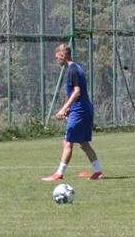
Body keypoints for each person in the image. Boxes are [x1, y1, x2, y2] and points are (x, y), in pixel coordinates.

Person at [42, 43, 103, 181]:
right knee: (83, 143)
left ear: (63, 56)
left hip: (80, 110)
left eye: (58, 58)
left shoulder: (72, 70)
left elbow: (77, 92)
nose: (57, 60)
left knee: (67, 142)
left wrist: (64, 108)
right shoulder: (78, 67)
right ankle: (98, 172)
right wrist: (70, 108)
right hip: (84, 108)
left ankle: (59, 174)